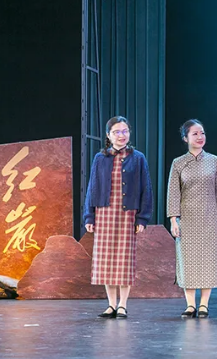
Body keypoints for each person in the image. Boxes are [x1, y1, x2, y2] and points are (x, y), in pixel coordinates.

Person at [83, 116, 154, 319]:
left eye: (124, 131)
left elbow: (146, 188)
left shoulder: (138, 158)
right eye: (116, 132)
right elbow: (92, 187)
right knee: (105, 260)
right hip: (104, 213)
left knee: (124, 260)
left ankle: (123, 305)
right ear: (108, 135)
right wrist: (89, 216)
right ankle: (111, 305)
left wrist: (142, 218)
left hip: (127, 214)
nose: (121, 135)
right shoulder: (100, 158)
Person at [167, 119, 217, 318]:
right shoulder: (178, 163)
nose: (200, 137)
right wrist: (173, 220)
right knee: (187, 261)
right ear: (185, 138)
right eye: (195, 134)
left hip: (210, 218)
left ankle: (204, 304)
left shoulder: (214, 161)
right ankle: (190, 305)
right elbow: (173, 193)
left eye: (202, 133)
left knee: (209, 261)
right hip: (187, 219)